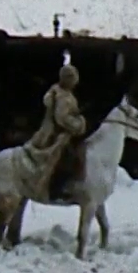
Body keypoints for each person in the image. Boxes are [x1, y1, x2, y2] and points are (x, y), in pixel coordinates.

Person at [24, 62, 88, 202]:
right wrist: (79, 124)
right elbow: (62, 118)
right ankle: (58, 189)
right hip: (56, 133)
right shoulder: (63, 96)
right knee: (68, 157)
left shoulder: (59, 92)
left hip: (51, 130)